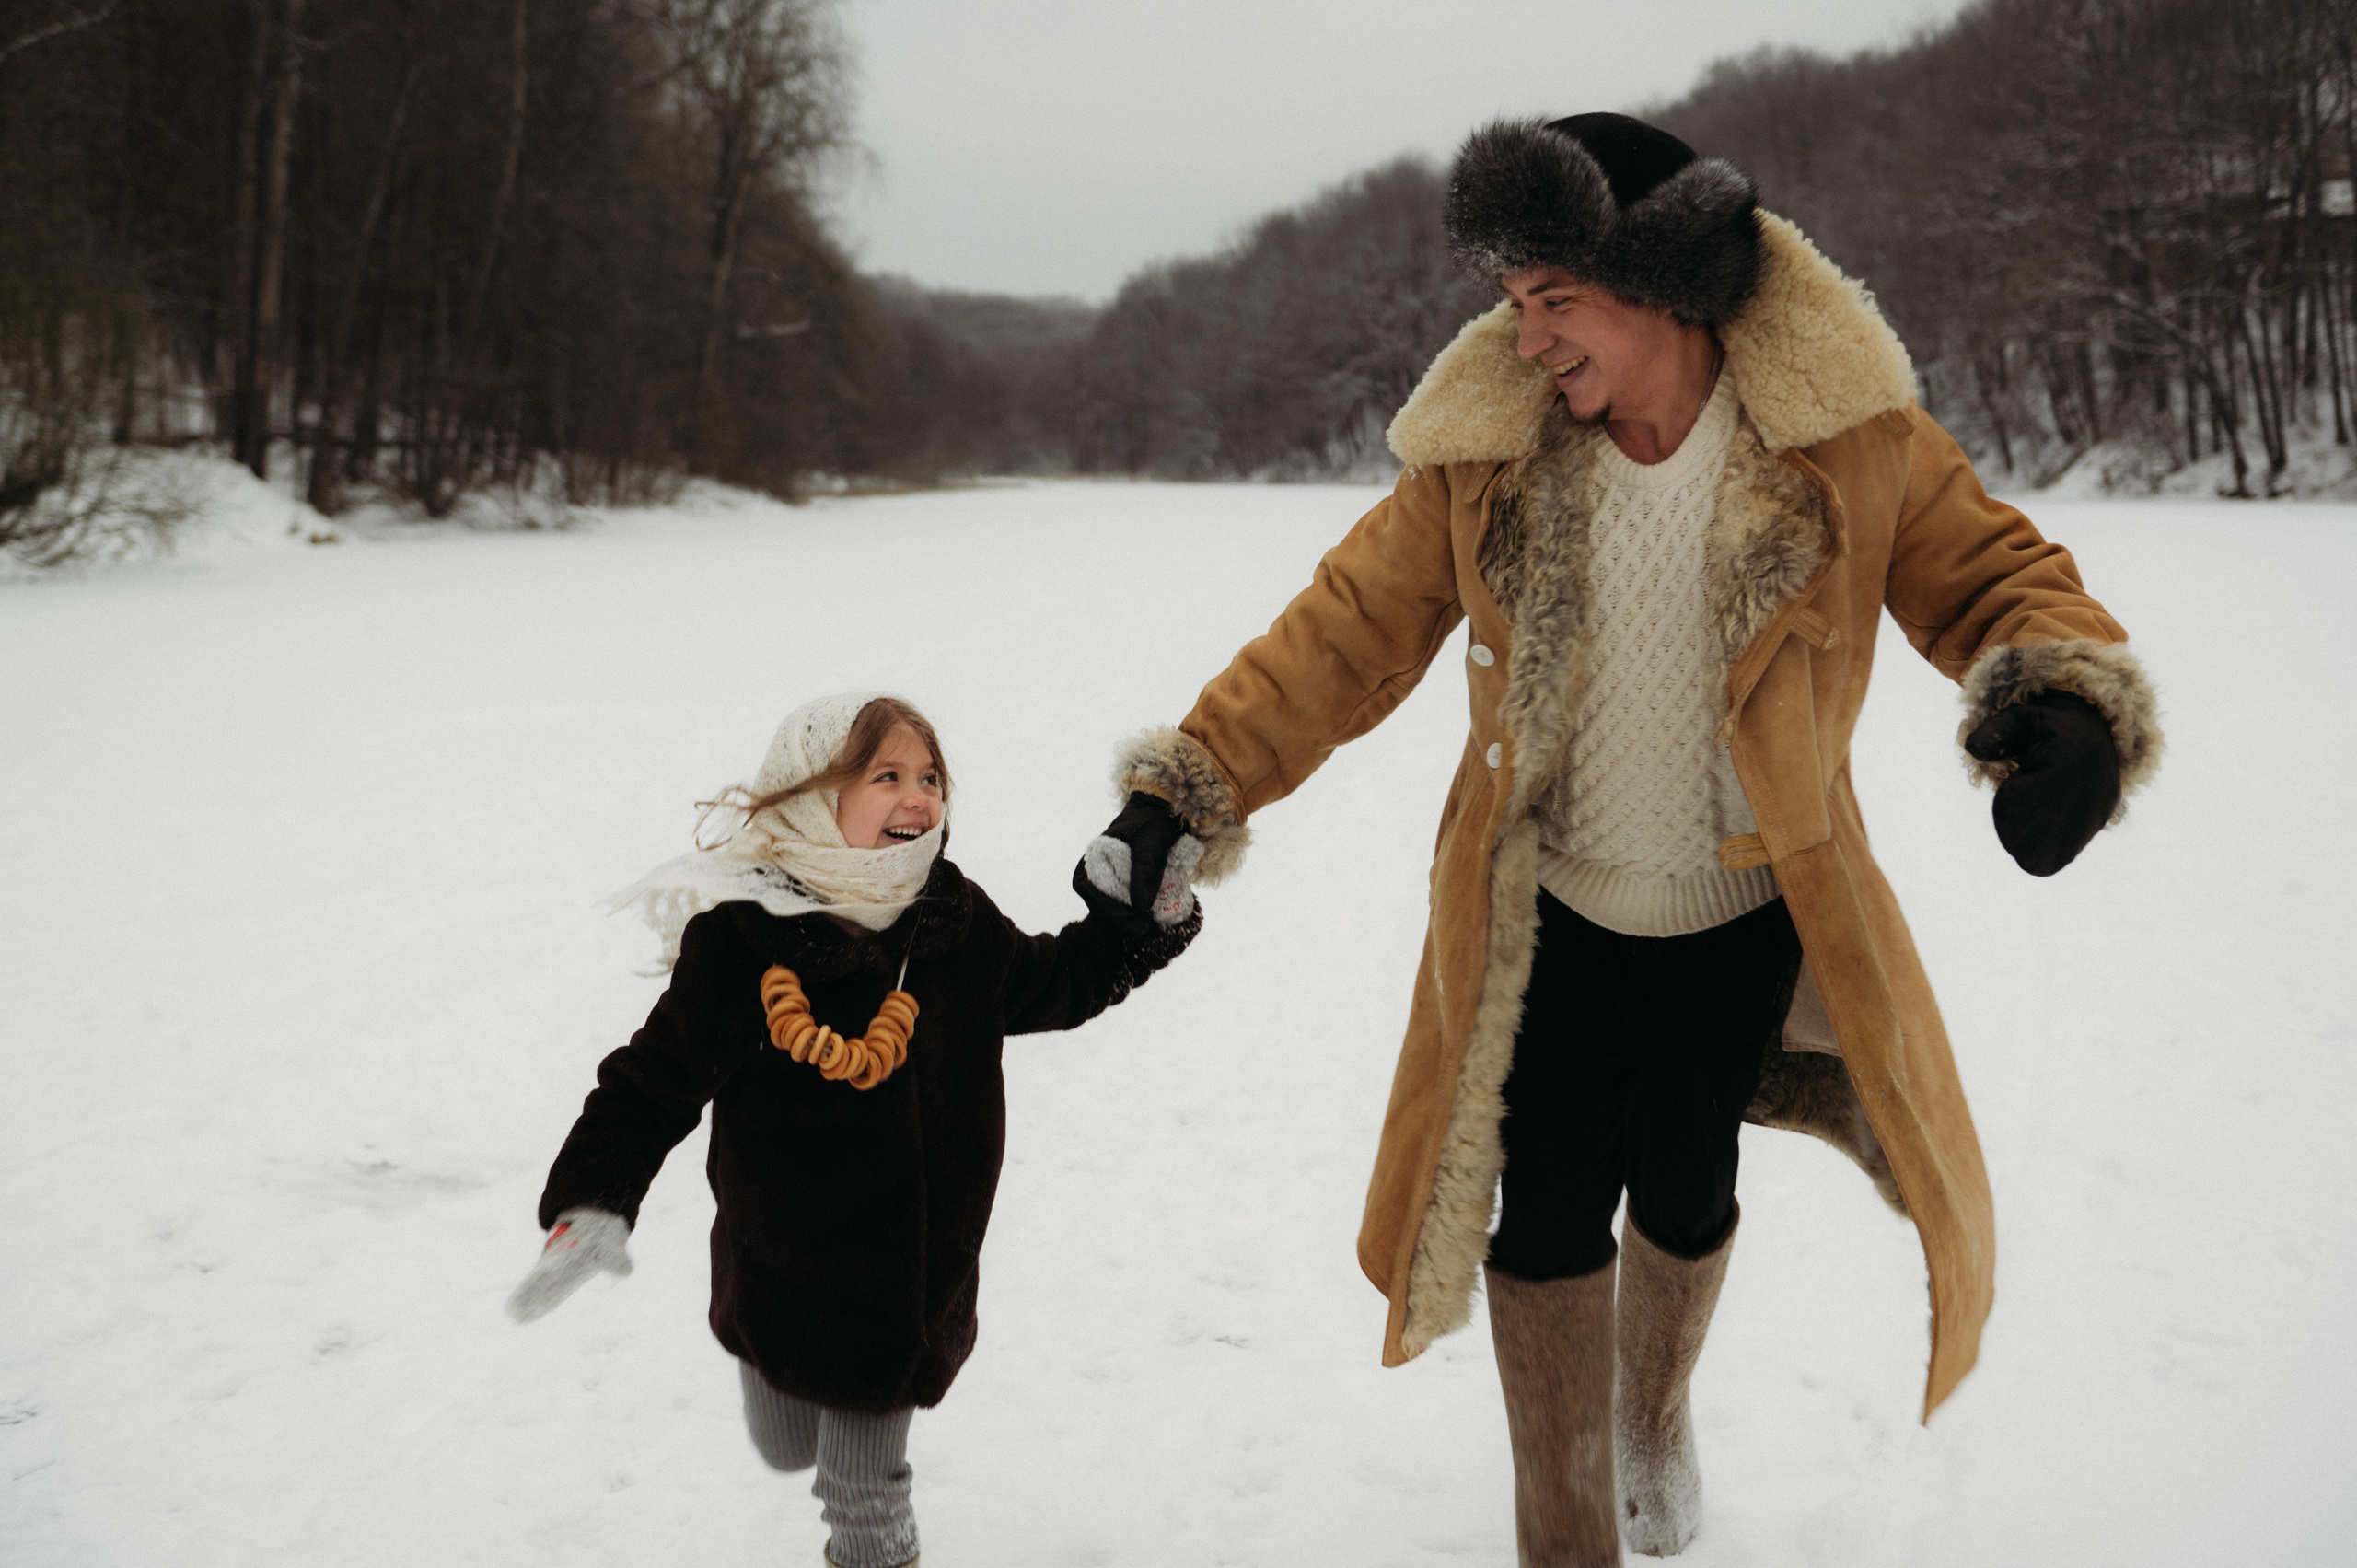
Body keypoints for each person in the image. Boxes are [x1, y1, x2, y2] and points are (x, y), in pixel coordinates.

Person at [1092, 114, 2163, 1564]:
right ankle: (1566, 1513)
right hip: (1551, 910)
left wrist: (2066, 699)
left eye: (1556, 302)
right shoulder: (1489, 459)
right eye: (1514, 302)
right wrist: (1193, 779)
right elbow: (1342, 631)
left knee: (1685, 1178)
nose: (1526, 339)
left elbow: (1992, 570)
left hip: (1742, 911)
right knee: (1537, 1211)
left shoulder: (1844, 443)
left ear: (1665, 289)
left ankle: (1650, 1411)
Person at [507, 693, 1202, 1568]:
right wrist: (593, 1201)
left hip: (911, 1277)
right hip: (779, 1264)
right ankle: (783, 1383)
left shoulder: (953, 921)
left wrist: (1146, 921)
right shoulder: (746, 941)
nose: (919, 797)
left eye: (930, 777)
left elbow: (1057, 982)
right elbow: (651, 1084)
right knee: (787, 1441)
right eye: (887, 776)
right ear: (811, 799)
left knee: (863, 1484)